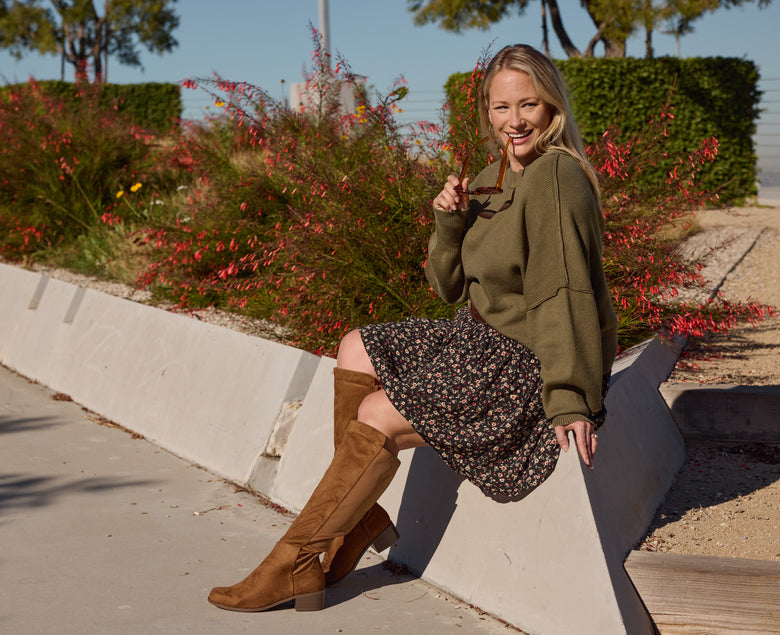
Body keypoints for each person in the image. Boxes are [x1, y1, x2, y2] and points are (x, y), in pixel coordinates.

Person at [207, 43, 618, 613]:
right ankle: (356, 523)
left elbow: (566, 291)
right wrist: (449, 224)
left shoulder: (554, 177)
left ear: (553, 107)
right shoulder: (494, 175)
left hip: (522, 361)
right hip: (475, 336)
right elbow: (450, 287)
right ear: (487, 112)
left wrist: (571, 398)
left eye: (529, 105)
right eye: (501, 108)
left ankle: (296, 560)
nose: (515, 121)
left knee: (376, 412)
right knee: (356, 345)